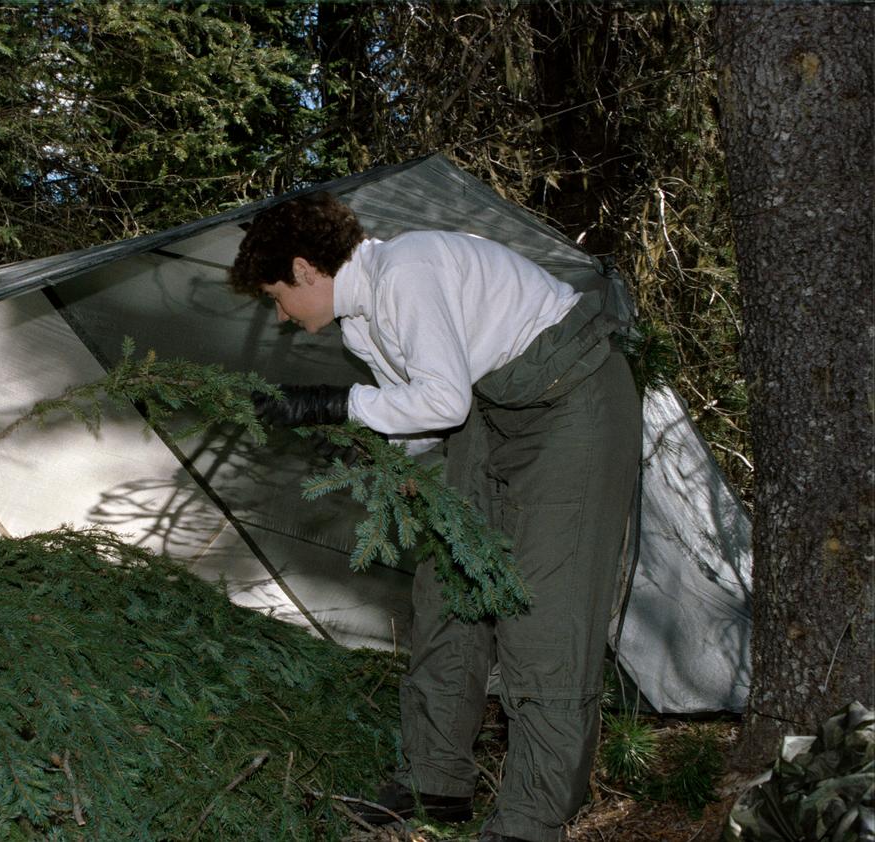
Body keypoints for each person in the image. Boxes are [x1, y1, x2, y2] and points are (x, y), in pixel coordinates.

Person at [228, 192, 641, 842]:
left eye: (278, 295)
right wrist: (388, 457)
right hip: (491, 415)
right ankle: (435, 783)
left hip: (573, 406)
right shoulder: (363, 321)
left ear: (306, 268)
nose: (280, 316)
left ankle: (531, 822)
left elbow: (441, 401)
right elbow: (422, 415)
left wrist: (330, 404)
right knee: (450, 588)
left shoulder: (406, 271)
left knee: (543, 616)